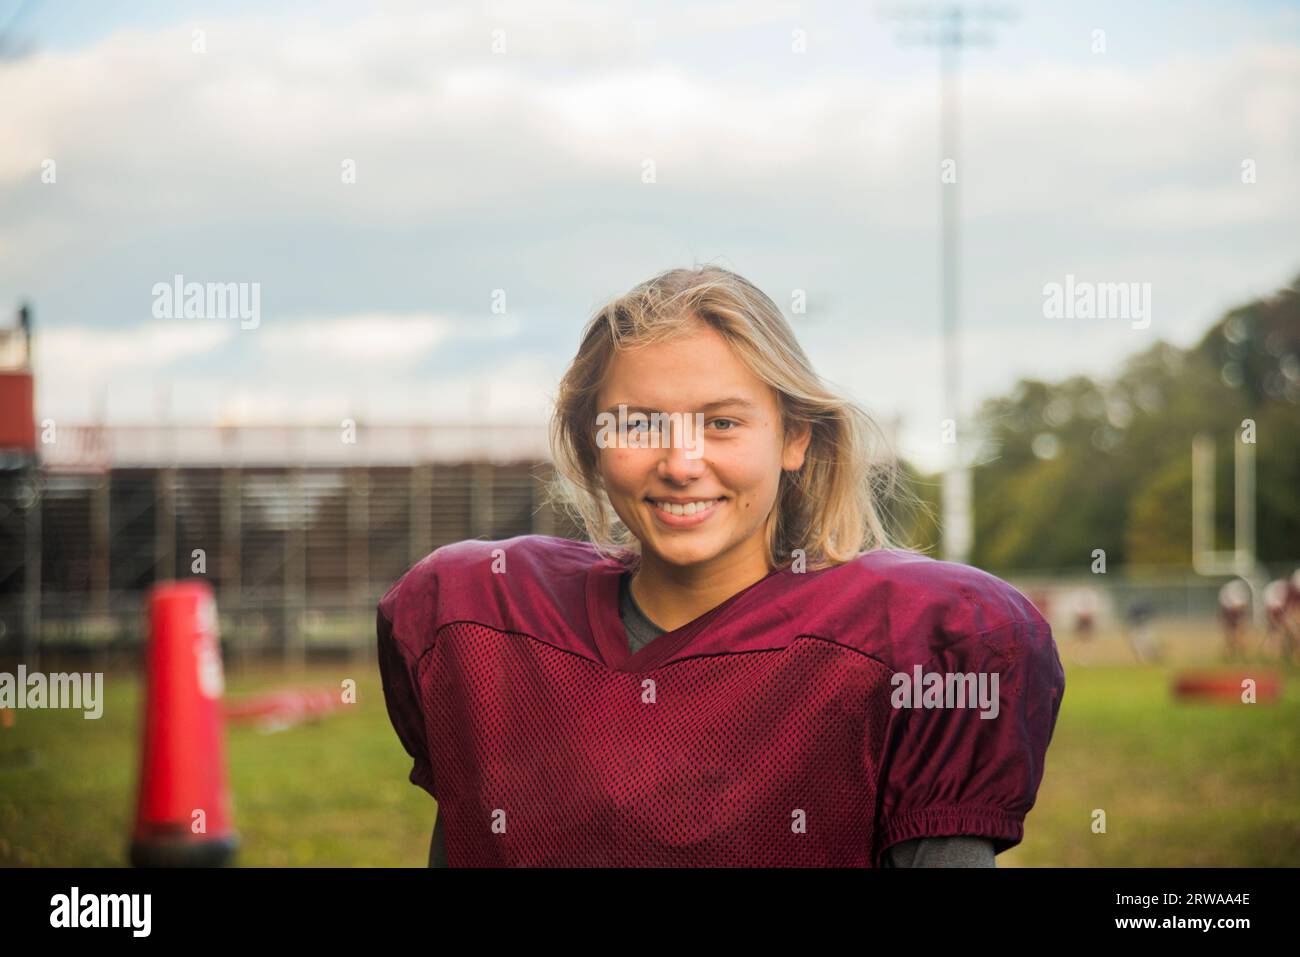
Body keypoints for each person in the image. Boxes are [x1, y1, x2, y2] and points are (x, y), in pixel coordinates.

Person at [378, 265, 1066, 867]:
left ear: (795, 436)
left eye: (722, 422)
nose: (681, 463)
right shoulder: (480, 624)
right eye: (640, 423)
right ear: (593, 447)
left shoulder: (920, 643)